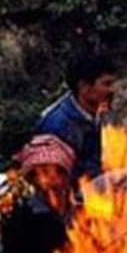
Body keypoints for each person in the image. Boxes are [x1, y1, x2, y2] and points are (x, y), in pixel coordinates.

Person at [34, 53, 117, 182]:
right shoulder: (56, 126)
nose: (112, 90)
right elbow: (56, 181)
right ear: (83, 87)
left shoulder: (100, 111)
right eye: (106, 84)